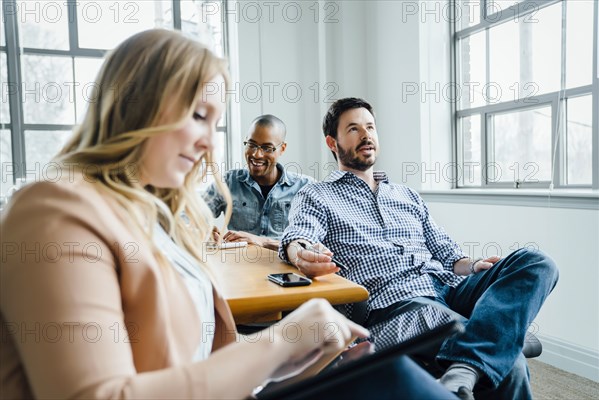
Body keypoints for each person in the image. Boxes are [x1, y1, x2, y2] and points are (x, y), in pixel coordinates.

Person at [0, 32, 457, 399]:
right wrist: (280, 341)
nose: (209, 142)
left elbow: (204, 366)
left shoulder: (160, 222)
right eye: (198, 115)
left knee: (387, 373)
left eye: (215, 124)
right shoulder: (53, 212)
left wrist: (302, 355)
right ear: (136, 104)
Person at [279, 97, 559, 400]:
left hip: (450, 287)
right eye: (354, 129)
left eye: (370, 127)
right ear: (332, 142)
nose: (366, 135)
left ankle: (465, 365)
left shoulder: (406, 194)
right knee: (511, 364)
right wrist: (300, 253)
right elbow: (299, 234)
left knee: (537, 263)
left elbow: (447, 253)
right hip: (400, 303)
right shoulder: (317, 196)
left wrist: (471, 264)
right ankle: (471, 363)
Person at [203, 115, 313, 250]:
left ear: (282, 149)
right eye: (252, 145)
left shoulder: (305, 187)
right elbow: (190, 213)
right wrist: (203, 229)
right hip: (241, 267)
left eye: (267, 148)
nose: (257, 154)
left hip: (285, 269)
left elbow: (309, 244)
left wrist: (262, 241)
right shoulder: (229, 181)